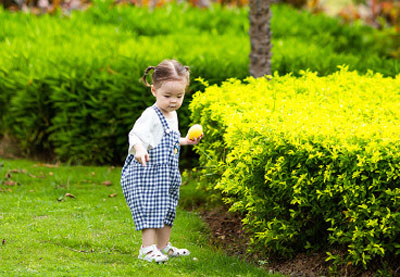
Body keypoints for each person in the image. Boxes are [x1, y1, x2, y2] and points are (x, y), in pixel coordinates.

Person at [121, 59, 202, 263]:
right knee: (149, 208)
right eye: (168, 96)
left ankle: (163, 246)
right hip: (146, 172)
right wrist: (139, 149)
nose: (173, 101)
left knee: (167, 208)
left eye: (179, 96)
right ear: (154, 91)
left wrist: (186, 141)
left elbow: (169, 138)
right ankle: (146, 248)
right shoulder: (151, 115)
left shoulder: (172, 114)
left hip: (166, 173)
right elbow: (136, 136)